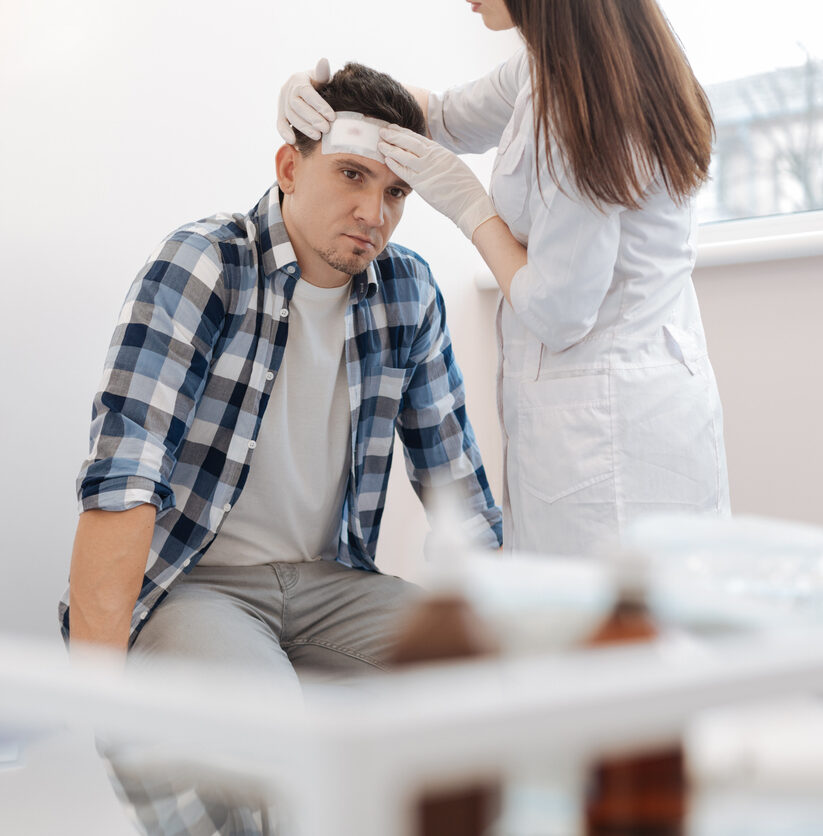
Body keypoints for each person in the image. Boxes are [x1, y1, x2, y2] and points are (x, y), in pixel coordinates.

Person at [60, 61, 502, 835]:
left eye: (395, 192)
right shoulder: (204, 266)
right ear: (290, 166)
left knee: (503, 689)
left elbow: (457, 488)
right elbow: (125, 474)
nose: (374, 211)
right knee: (280, 751)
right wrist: (104, 704)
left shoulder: (409, 292)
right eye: (352, 176)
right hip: (201, 586)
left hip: (333, 582)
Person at [278, 0, 730, 557]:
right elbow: (441, 115)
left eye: (394, 192)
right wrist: (318, 96)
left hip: (608, 430)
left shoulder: (580, 102)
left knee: (607, 633)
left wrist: (472, 208)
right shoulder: (559, 67)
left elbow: (559, 313)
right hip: (639, 405)